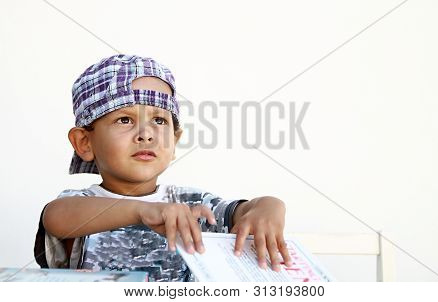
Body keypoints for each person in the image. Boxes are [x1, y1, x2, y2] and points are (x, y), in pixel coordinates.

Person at [34, 54, 292, 282]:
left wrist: (270, 207)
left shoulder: (194, 204)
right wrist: (144, 211)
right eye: (125, 119)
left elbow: (247, 210)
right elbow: (56, 218)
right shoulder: (78, 205)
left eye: (159, 120)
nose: (146, 134)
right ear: (84, 142)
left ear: (175, 141)